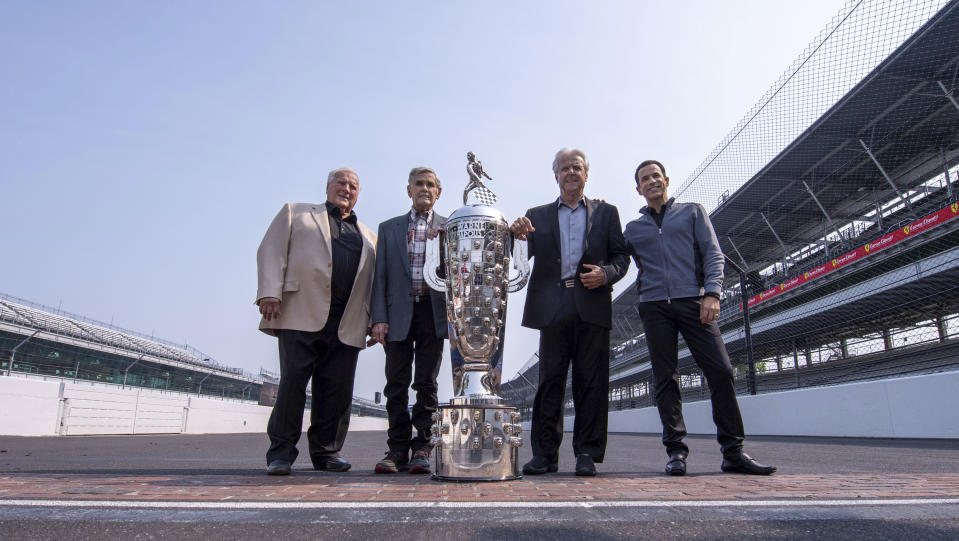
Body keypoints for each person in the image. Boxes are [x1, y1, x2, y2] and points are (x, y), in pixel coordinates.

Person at [624, 160, 776, 476]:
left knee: (721, 371)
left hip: (695, 301)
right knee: (665, 379)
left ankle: (733, 452)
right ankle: (676, 452)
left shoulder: (693, 212)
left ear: (666, 180)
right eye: (644, 179)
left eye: (655, 176)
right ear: (638, 189)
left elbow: (713, 254)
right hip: (654, 307)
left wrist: (713, 293)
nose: (651, 181)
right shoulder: (633, 229)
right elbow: (614, 257)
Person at [510, 148, 629, 476]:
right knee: (550, 382)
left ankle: (587, 453)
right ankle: (545, 455)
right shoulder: (536, 214)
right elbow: (517, 255)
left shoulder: (607, 214)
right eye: (565, 168)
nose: (571, 173)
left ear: (586, 174)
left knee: (591, 382)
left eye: (577, 167)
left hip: (592, 303)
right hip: (553, 307)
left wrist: (605, 274)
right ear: (556, 176)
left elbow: (622, 259)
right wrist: (513, 232)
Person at [255, 168, 377, 476]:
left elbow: (376, 282)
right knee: (293, 383)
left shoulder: (369, 235)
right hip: (301, 311)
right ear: (328, 187)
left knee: (336, 390)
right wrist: (270, 291)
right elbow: (270, 250)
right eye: (341, 183)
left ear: (358, 194)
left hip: (346, 320)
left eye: (353, 186)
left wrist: (376, 320)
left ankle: (327, 452)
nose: (346, 189)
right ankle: (281, 453)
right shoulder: (297, 213)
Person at [370, 167, 448, 474]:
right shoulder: (389, 229)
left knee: (426, 383)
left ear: (438, 193)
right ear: (409, 190)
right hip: (398, 314)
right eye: (419, 184)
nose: (424, 189)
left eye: (430, 185)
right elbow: (380, 278)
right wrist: (379, 319)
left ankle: (423, 448)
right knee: (396, 384)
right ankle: (397, 449)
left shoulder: (449, 226)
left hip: (433, 312)